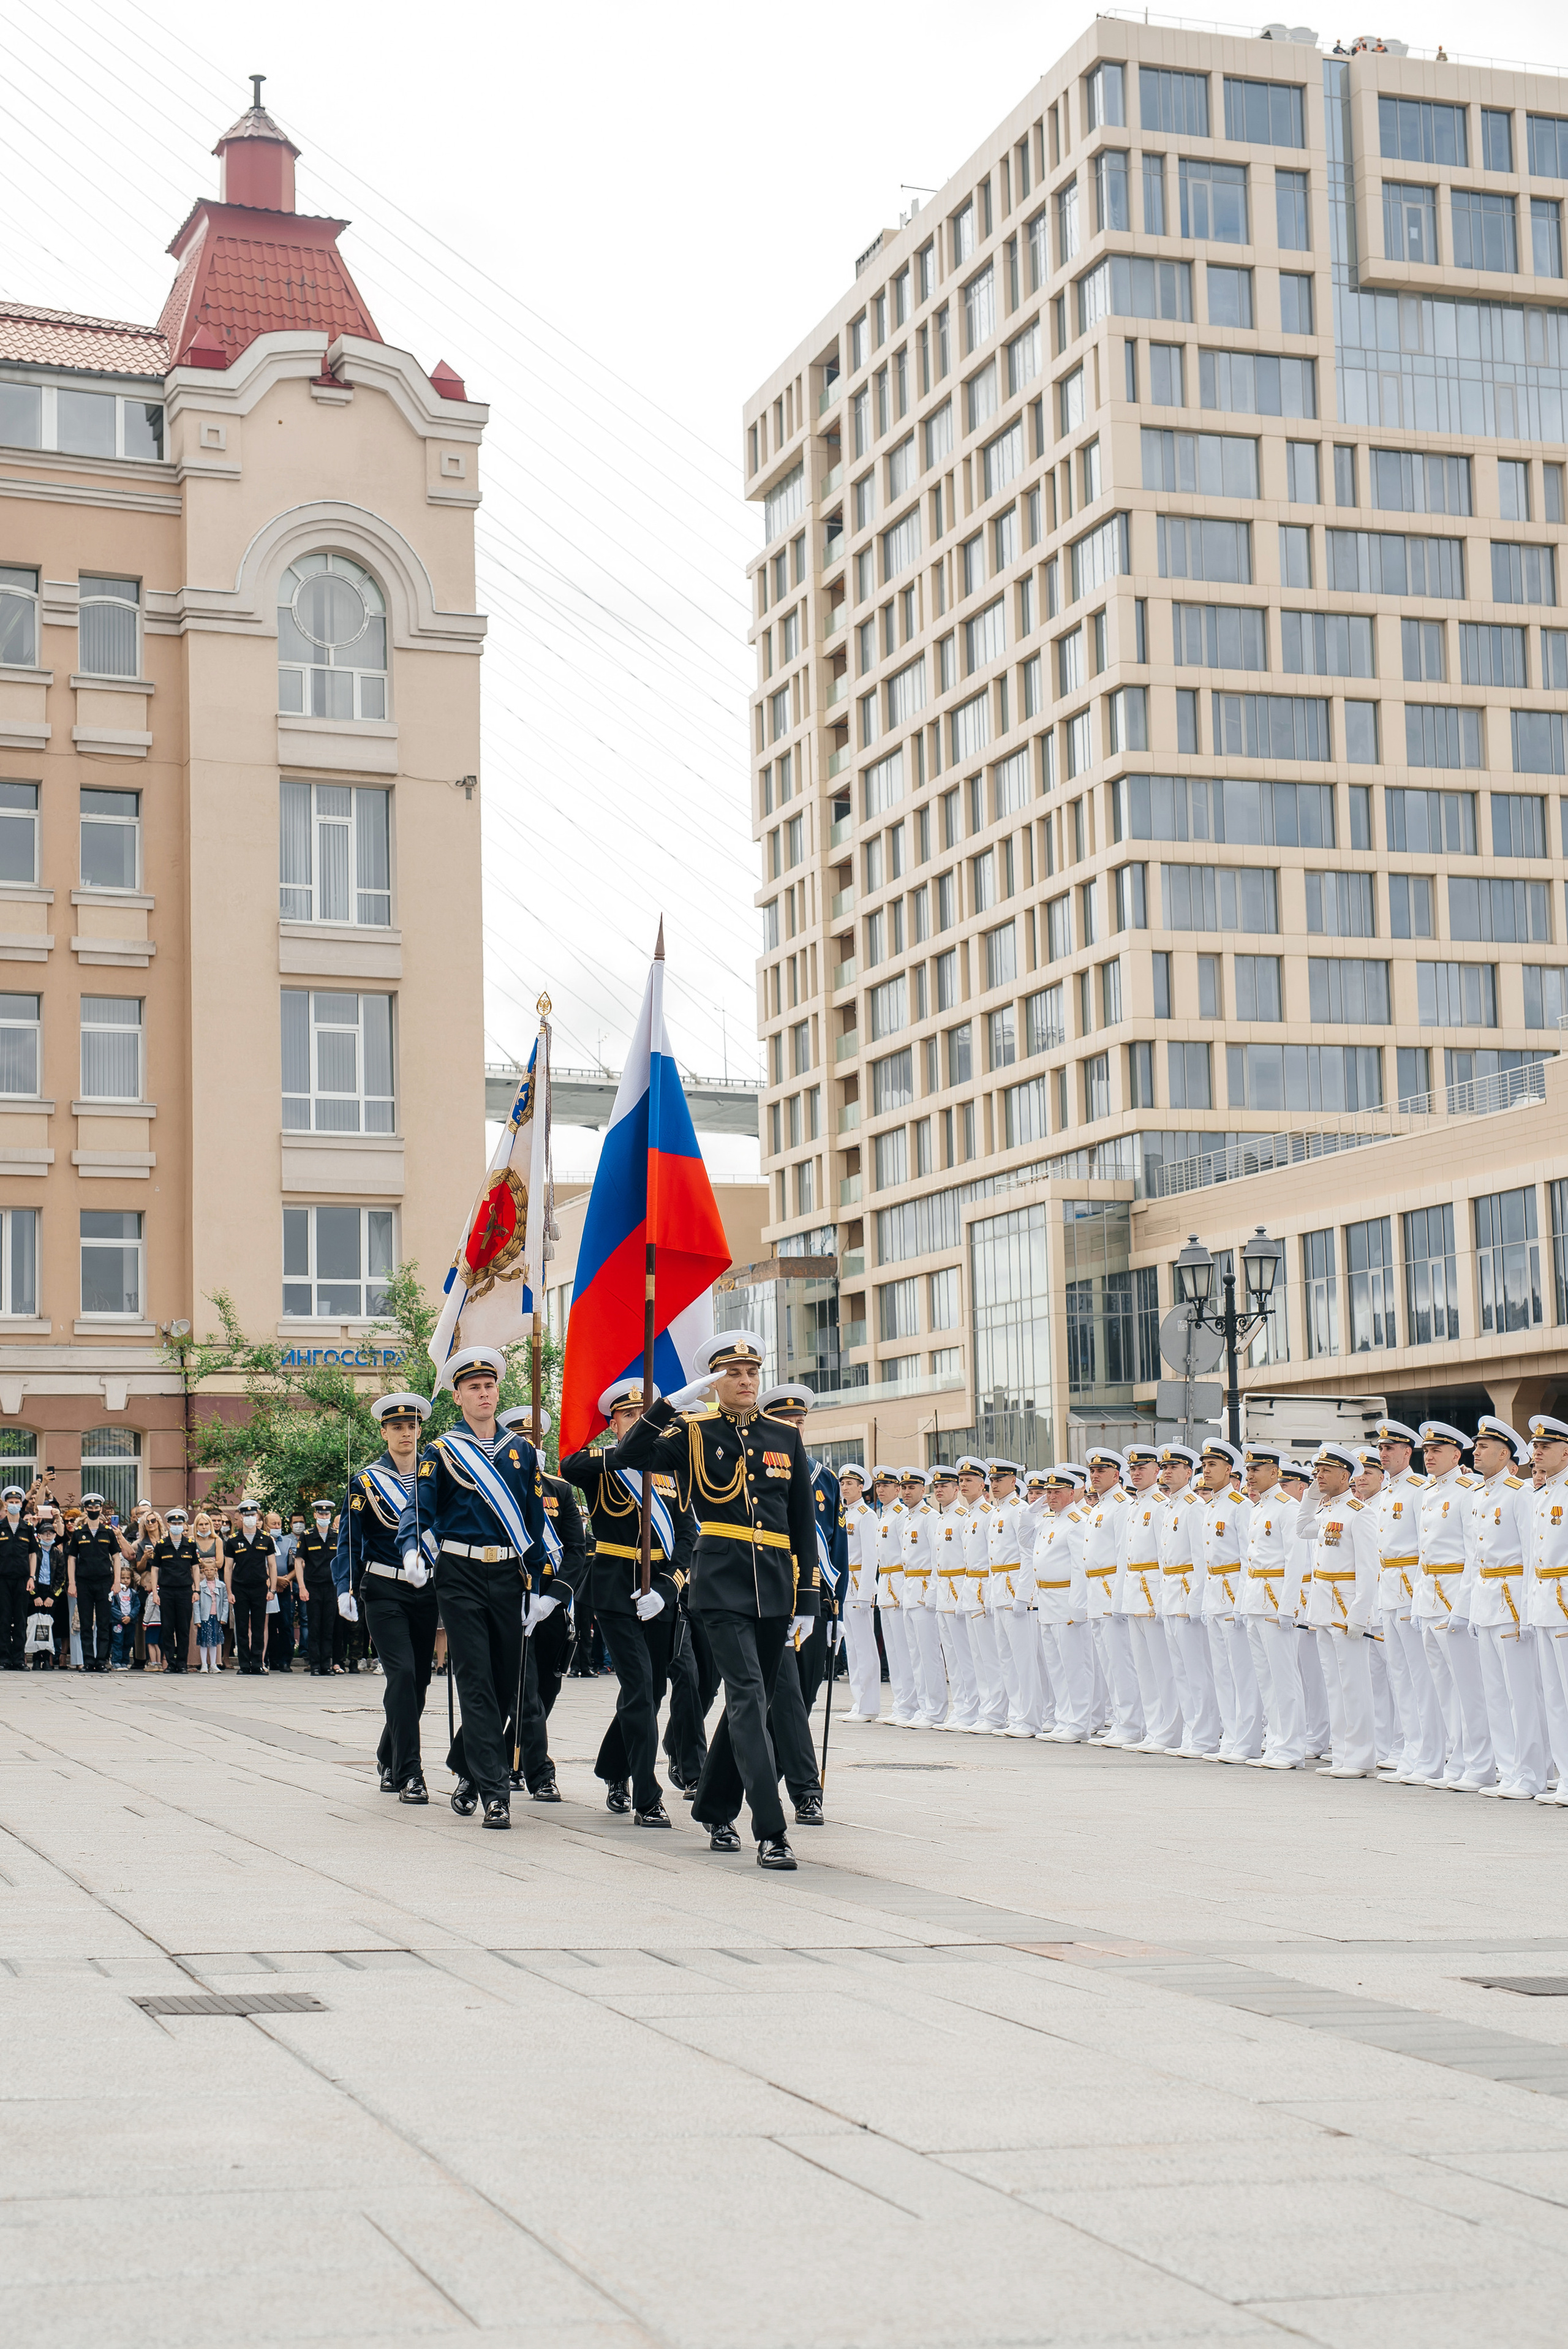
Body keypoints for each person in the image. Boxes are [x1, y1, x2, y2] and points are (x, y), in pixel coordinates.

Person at [608, 1329, 820, 1871]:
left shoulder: (783, 1436)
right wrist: (669, 1405)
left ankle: (715, 1807)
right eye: (733, 1374)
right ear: (715, 1381)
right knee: (748, 1694)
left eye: (752, 1373)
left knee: (758, 1702)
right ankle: (771, 1830)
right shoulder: (694, 1433)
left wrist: (809, 1596)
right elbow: (627, 1456)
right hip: (720, 1583)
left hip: (774, 1583)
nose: (746, 1382)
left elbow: (801, 1521)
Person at [395, 1346, 551, 1831]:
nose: (484, 1394)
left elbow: (535, 1522)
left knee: (507, 1687)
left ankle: (467, 1766)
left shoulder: (522, 1452)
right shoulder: (441, 1451)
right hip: (459, 1575)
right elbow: (417, 1507)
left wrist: (542, 1586)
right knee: (477, 1683)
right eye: (474, 1388)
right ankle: (495, 1791)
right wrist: (410, 1549)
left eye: (490, 1386)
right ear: (459, 1397)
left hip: (508, 1577)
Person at [562, 1376, 690, 1827]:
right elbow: (569, 1466)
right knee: (639, 1687)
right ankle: (646, 1795)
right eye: (630, 1417)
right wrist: (632, 1450)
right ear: (614, 1424)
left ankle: (613, 1769)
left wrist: (670, 1587)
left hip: (660, 1594)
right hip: (616, 1589)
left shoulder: (674, 1471)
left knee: (651, 1693)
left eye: (645, 1415)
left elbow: (689, 1537)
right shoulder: (603, 1466)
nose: (639, 1423)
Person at [337, 1394, 441, 1803]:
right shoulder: (366, 1482)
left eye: (412, 1426)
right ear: (384, 1432)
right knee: (401, 1674)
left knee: (419, 1681)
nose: (406, 1433)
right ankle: (410, 1772)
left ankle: (388, 1756)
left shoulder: (434, 1476)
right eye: (397, 1427)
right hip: (383, 1589)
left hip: (426, 1589)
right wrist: (345, 1586)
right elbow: (350, 1539)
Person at [753, 1384, 849, 1821]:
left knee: (802, 1697)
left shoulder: (823, 1478)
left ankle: (756, 1772)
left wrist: (838, 1611)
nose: (794, 1427)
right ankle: (807, 1791)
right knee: (786, 1695)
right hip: (773, 1596)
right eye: (785, 1421)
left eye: (799, 1422)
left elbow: (839, 1549)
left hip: (816, 1601)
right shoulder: (755, 1468)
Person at [498, 1404, 585, 1802]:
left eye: (534, 1439)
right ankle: (540, 1774)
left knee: (547, 1688)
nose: (529, 1445)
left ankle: (507, 1756)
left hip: (550, 1603)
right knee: (525, 1692)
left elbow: (576, 1551)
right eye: (520, 1439)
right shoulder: (497, 1490)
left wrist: (556, 1597)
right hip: (513, 1599)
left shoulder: (560, 1490)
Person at [1468, 1414, 1545, 1801]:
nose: (1476, 1452)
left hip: (1512, 1598)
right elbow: (1472, 1556)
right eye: (1476, 1446)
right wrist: (1467, 1607)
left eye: (1483, 1447)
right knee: (1495, 1692)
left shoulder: (1519, 1493)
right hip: (1485, 1600)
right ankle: (1510, 1770)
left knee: (1522, 1693)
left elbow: (1534, 1555)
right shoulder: (1479, 1495)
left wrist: (1529, 1611)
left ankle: (1533, 1773)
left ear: (1504, 1453)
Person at [1414, 1420, 1490, 1790]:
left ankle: (1478, 1761)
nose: (1428, 1457)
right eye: (1426, 1451)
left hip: (1453, 1594)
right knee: (1442, 1685)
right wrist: (1417, 1603)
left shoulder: (1467, 1489)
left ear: (1456, 1455)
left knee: (1468, 1687)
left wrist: (1461, 1606)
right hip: (1429, 1596)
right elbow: (1422, 1554)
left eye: (1437, 1451)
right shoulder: (1428, 1490)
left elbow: (1473, 1552)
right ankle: (1456, 1758)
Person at [1303, 1442, 1380, 1777]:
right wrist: (1309, 1494)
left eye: (1326, 1471)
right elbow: (1300, 1529)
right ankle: (1342, 1755)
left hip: (1346, 1606)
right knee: (1334, 1683)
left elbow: (1369, 1568)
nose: (1319, 1476)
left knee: (1354, 1683)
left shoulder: (1359, 1513)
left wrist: (1360, 1614)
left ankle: (1361, 1756)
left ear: (1345, 1475)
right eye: (1316, 1471)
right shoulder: (1326, 1511)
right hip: (1323, 1605)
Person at [1372, 1419, 1440, 1785]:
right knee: (1401, 1675)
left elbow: (1424, 1546)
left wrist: (1419, 1594)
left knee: (1421, 1676)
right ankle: (1413, 1750)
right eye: (1381, 1448)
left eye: (1390, 1449)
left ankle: (1429, 1753)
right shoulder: (1386, 1491)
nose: (1383, 1454)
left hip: (1412, 1589)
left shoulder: (1417, 1488)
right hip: (1388, 1590)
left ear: (1407, 1453)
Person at [1239, 1443, 1305, 1770]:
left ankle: (1292, 1747)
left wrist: (1288, 1608)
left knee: (1284, 1677)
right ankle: (1277, 1743)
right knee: (1266, 1678)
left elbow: (1297, 1561)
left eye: (1257, 1470)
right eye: (1248, 1470)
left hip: (1276, 1600)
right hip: (1256, 1598)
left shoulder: (1287, 1508)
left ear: (1275, 1472)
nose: (1250, 1476)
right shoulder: (1258, 1508)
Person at [1197, 1440, 1261, 1764]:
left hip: (1234, 1591)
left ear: (1229, 1470)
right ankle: (1231, 1737)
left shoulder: (1240, 1505)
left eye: (1213, 1465)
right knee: (1222, 1671)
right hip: (1214, 1593)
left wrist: (1241, 1603)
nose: (1206, 1470)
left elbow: (1248, 1558)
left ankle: (1248, 1741)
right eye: (1204, 1465)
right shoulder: (1210, 1506)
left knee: (1242, 1672)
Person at [1033, 1465, 1093, 1742]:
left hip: (1066, 1599)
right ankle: (1064, 1719)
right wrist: (1032, 1509)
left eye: (1057, 1492)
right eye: (1048, 1491)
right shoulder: (1048, 1520)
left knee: (1074, 1665)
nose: (1051, 1496)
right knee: (1055, 1665)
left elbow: (1081, 1568)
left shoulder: (1077, 1522)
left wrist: (1078, 1607)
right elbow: (1024, 1540)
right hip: (1047, 1600)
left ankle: (1079, 1722)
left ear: (1072, 1493)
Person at [1528, 1415, 1568, 1805]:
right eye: (1535, 1447)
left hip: (1565, 1600)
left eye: (1545, 1447)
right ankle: (1565, 1775)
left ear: (1566, 1451)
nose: (1537, 1452)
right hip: (1543, 1601)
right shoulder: (1540, 1495)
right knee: (1554, 1695)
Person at [67, 1491, 129, 1673]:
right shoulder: (79, 1533)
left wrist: (117, 1581)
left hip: (104, 1583)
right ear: (85, 1509)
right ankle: (88, 1661)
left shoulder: (108, 1532)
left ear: (101, 1509)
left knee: (103, 1623)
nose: (94, 1510)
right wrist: (72, 1583)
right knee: (86, 1623)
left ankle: (101, 1660)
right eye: (90, 1508)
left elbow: (116, 1558)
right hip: (84, 1582)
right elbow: (72, 1559)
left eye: (97, 1508)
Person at [837, 1464, 880, 1720]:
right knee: (852, 1648)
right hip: (844, 1586)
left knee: (864, 1647)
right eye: (843, 1483)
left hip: (858, 1586)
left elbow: (870, 1557)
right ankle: (859, 1701)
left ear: (861, 1487)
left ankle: (869, 1704)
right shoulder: (844, 1513)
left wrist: (866, 1592)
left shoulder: (866, 1515)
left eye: (850, 1484)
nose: (845, 1488)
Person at [224, 1502, 276, 1675]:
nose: (250, 1519)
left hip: (260, 1587)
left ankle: (258, 1663)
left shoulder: (266, 1539)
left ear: (257, 1517)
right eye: (246, 1516)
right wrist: (229, 1592)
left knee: (259, 1627)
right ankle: (245, 1665)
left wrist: (273, 1589)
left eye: (253, 1515)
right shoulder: (233, 1541)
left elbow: (272, 1565)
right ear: (241, 1518)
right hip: (240, 1588)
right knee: (242, 1627)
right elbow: (228, 1568)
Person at [295, 1499, 341, 1676]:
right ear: (315, 1515)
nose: (324, 1516)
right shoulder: (307, 1536)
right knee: (314, 1626)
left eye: (327, 1514)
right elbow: (299, 1561)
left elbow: (342, 1562)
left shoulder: (336, 1535)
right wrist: (302, 1587)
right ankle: (315, 1665)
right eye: (321, 1514)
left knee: (329, 1627)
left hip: (331, 1587)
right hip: (313, 1587)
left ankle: (326, 1665)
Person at [0, 1483, 37, 1670]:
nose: (14, 1504)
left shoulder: (27, 1528)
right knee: (4, 1619)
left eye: (17, 1501)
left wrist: (32, 1577)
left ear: (22, 1504)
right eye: (11, 1501)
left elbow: (33, 1554)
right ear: (5, 1505)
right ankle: (4, 1658)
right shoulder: (0, 1527)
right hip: (3, 1579)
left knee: (21, 1619)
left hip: (23, 1579)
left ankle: (19, 1659)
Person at [195, 1547, 228, 1671]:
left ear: (216, 1570)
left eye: (211, 1570)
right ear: (203, 1571)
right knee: (204, 1641)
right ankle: (204, 1664)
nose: (209, 1572)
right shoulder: (200, 1585)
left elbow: (225, 1602)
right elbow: (196, 1603)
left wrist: (224, 1617)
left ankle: (213, 1664)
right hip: (205, 1616)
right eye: (206, 1570)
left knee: (215, 1642)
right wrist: (197, 1619)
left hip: (216, 1616)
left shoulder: (221, 1585)